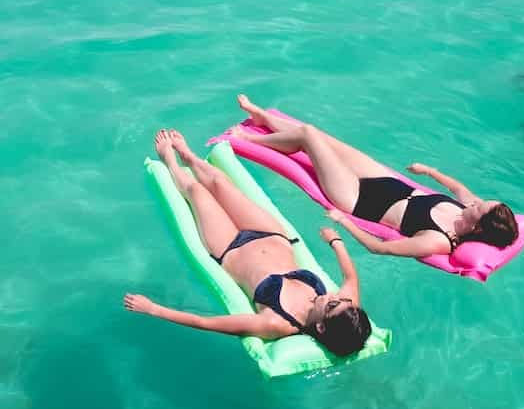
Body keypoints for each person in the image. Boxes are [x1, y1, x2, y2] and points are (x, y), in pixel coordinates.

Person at [125, 130, 372, 355]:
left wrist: (153, 309)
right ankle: (189, 156)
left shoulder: (275, 323)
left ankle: (170, 162)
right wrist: (336, 241)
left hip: (230, 247)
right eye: (341, 300)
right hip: (271, 234)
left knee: (198, 192)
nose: (333, 297)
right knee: (220, 184)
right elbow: (351, 278)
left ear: (320, 327)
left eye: (331, 305)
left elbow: (206, 323)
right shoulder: (347, 311)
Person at [233, 95, 522, 260]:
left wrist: (344, 221)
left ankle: (248, 139)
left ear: (479, 229)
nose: (476, 202)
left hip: (356, 198)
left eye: (479, 207)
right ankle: (264, 120)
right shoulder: (469, 208)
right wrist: (430, 172)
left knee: (308, 135)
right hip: (386, 182)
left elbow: (380, 248)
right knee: (323, 138)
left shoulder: (439, 240)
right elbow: (458, 187)